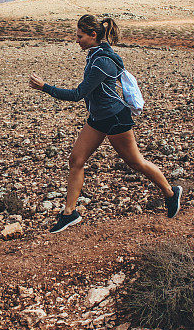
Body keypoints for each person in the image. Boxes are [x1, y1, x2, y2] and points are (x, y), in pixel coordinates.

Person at [29, 14, 182, 233]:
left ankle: (170, 192)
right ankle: (69, 213)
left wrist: (44, 87)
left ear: (93, 35)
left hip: (115, 119)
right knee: (76, 160)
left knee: (136, 162)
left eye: (80, 36)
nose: (77, 40)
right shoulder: (94, 54)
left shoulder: (101, 61)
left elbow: (77, 94)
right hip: (98, 118)